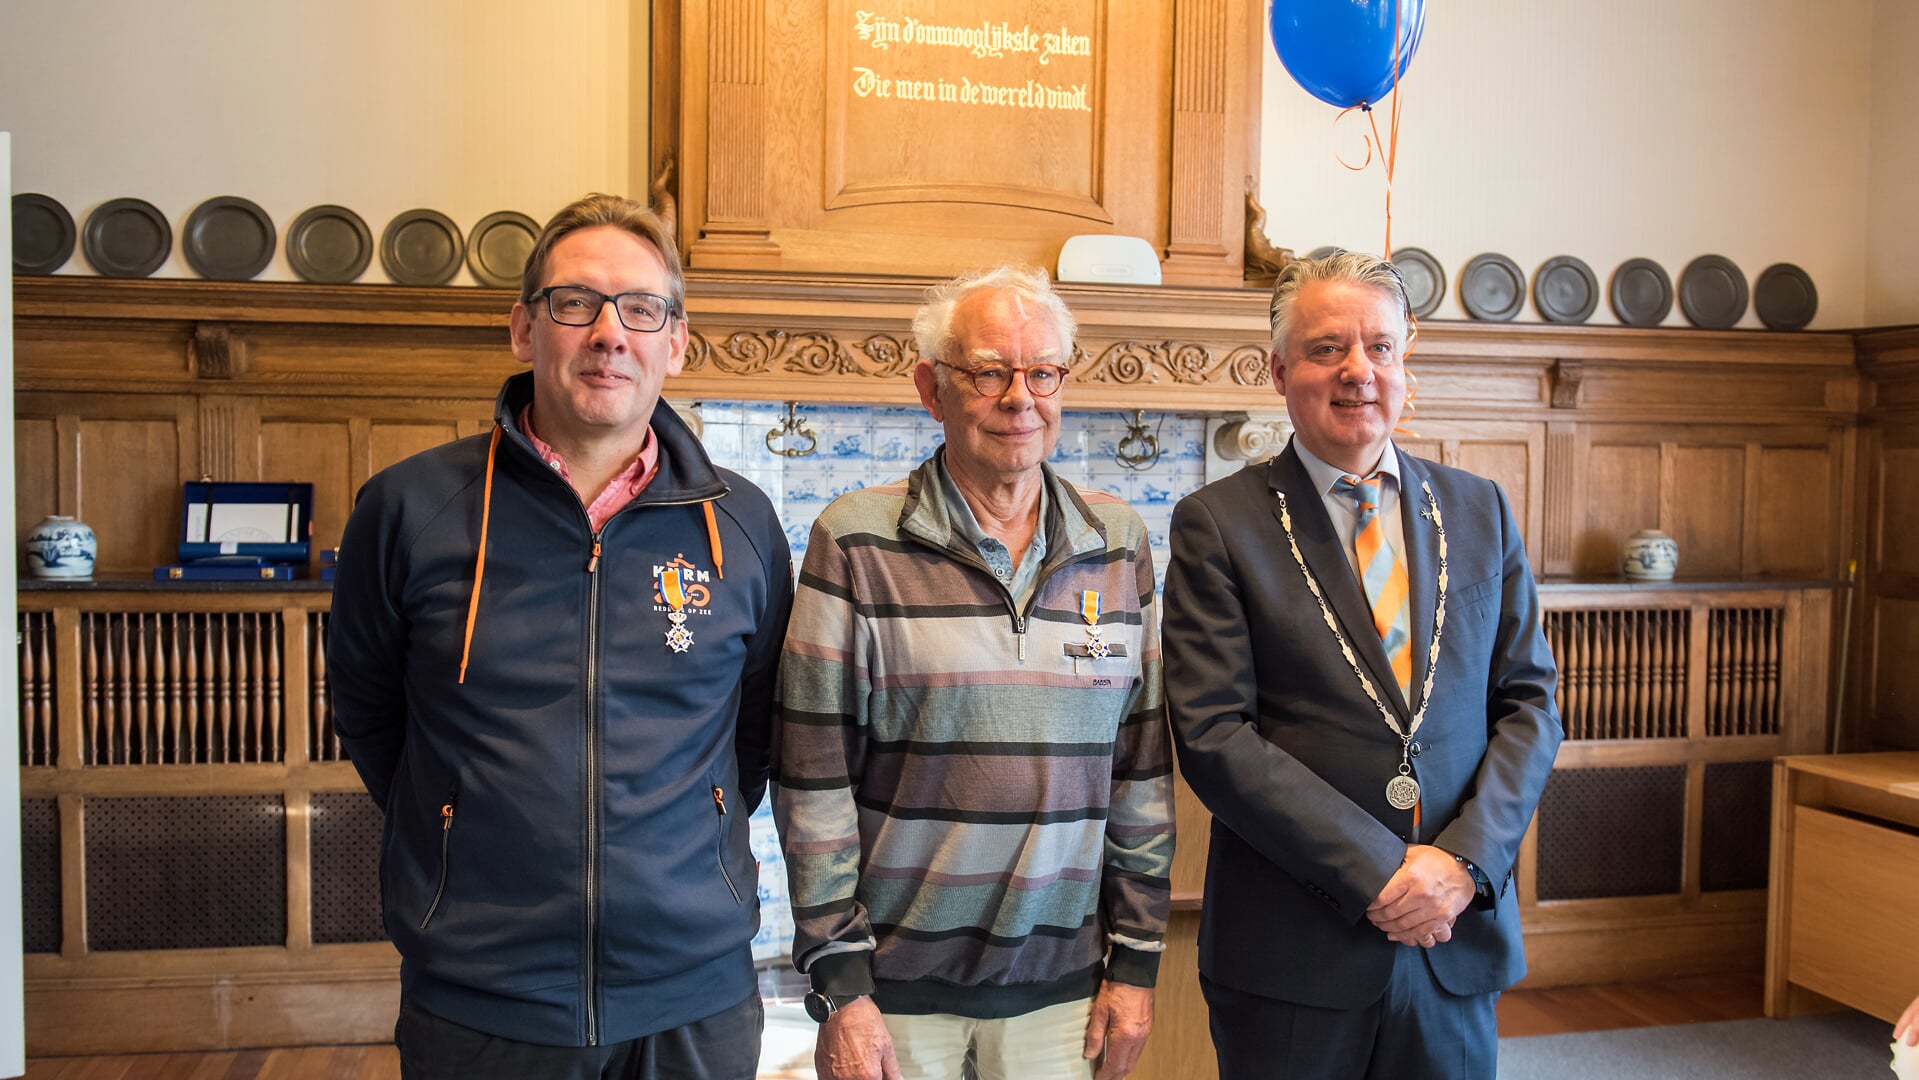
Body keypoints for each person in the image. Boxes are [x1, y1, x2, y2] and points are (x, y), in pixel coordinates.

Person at [329, 193, 793, 1079]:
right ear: (522, 329)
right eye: (575, 303)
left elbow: (755, 732)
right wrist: (461, 824)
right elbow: (370, 714)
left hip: (692, 997)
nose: (609, 333)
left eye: (641, 309)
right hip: (481, 995)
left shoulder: (740, 523)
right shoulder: (410, 509)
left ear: (675, 343)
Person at [1161, 251, 1563, 1079]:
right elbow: (1213, 735)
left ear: (1403, 362)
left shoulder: (1478, 507)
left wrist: (1462, 866)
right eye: (1325, 349)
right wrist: (1383, 872)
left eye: (1379, 347)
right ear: (1278, 370)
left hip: (1453, 935)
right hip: (1295, 954)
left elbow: (1529, 703)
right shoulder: (1217, 524)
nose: (1357, 371)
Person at [775, 266, 1175, 1080]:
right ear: (932, 388)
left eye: (1041, 372)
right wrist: (842, 987)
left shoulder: (1118, 542)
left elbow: (1140, 773)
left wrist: (1133, 965)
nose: (1018, 397)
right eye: (987, 371)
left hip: (1062, 995)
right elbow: (811, 781)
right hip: (893, 997)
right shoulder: (855, 542)